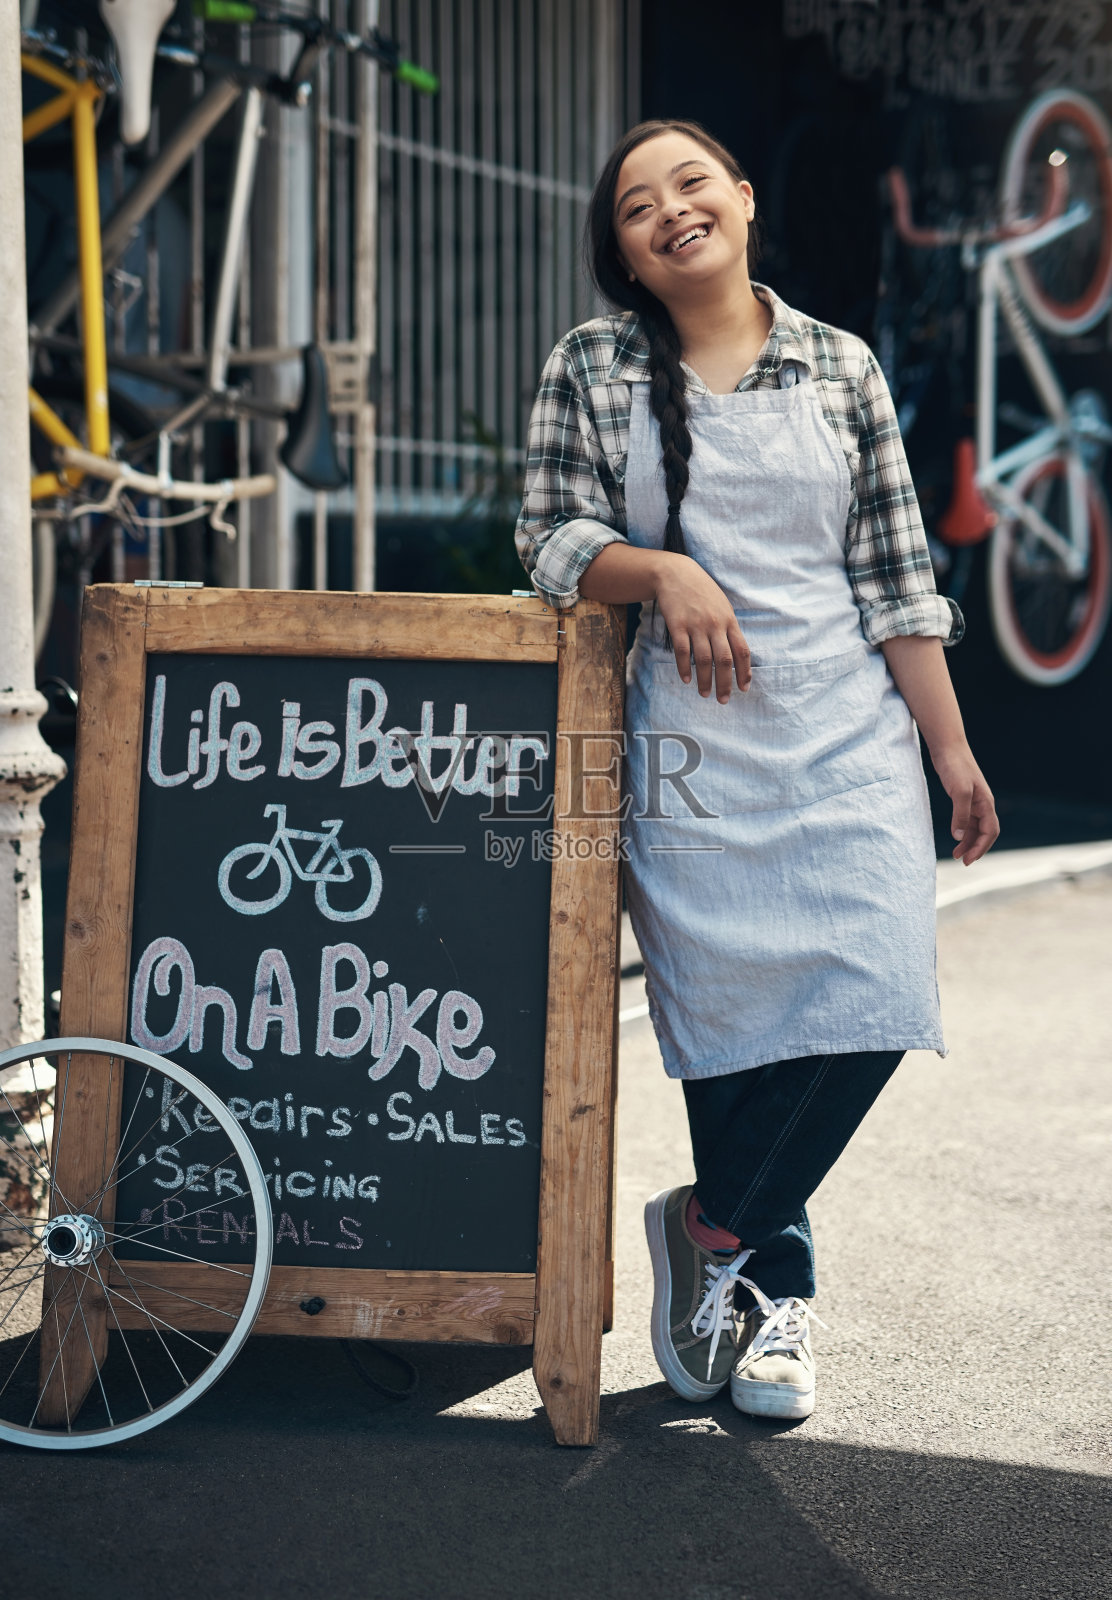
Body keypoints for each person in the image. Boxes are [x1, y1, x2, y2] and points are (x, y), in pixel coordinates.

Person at [515, 120, 1000, 1421]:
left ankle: (709, 1228)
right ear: (620, 250)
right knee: (734, 1039)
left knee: (881, 992)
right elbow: (549, 537)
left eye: (691, 183)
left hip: (847, 747)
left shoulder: (840, 366)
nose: (670, 211)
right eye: (635, 205)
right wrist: (662, 569)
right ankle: (774, 1311)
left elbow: (902, 583)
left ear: (740, 196)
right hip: (691, 759)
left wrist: (949, 752)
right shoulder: (595, 364)